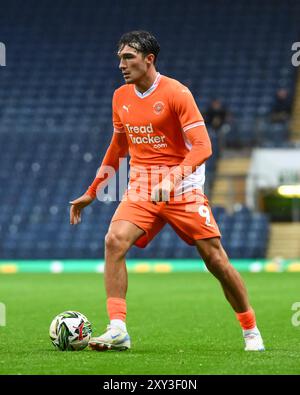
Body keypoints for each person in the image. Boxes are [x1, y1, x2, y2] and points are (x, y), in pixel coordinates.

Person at [69, 31, 265, 352]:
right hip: (143, 186)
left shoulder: (177, 93)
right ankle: (118, 329)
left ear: (149, 59)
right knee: (114, 240)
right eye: (119, 57)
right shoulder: (121, 97)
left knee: (214, 260)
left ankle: (250, 328)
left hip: (183, 187)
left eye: (128, 57)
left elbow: (203, 147)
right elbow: (118, 147)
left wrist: (172, 179)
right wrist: (93, 191)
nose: (121, 64)